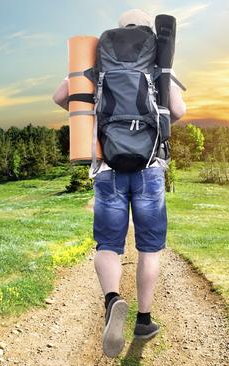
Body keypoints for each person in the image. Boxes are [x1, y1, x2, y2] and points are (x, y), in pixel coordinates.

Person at [52, 8, 186, 358]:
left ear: (117, 29)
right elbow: (179, 111)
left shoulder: (99, 58)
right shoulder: (160, 64)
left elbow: (59, 97)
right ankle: (144, 319)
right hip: (150, 167)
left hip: (108, 167)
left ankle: (112, 299)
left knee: (108, 245)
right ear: (147, 31)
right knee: (149, 248)